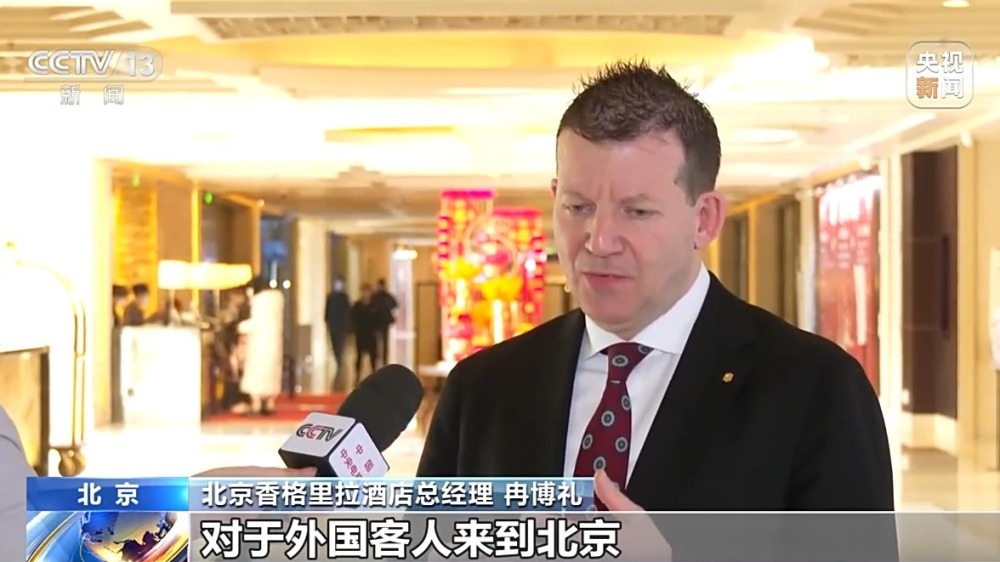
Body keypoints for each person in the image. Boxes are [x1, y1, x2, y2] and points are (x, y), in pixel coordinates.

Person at [417, 61, 894, 515]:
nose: (599, 241)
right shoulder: (483, 389)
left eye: (637, 212)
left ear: (704, 219)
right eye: (578, 208)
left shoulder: (816, 390)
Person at [239, 277, 284, 416]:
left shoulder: (259, 302)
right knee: (271, 373)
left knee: (256, 373)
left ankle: (256, 405)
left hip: (259, 343)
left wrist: (240, 326)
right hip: (274, 341)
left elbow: (256, 323)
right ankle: (270, 404)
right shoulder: (277, 300)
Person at [324, 276, 350, 388]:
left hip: (341, 325)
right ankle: (337, 358)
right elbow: (327, 311)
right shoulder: (330, 297)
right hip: (333, 325)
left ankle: (339, 359)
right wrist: (327, 321)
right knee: (334, 343)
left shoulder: (344, 298)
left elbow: (347, 312)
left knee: (340, 343)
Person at [350, 284, 378, 380]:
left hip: (371, 333)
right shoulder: (357, 306)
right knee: (359, 356)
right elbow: (353, 318)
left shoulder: (374, 306)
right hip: (360, 333)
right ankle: (357, 375)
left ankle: (374, 374)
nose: (366, 294)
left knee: (373, 356)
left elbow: (378, 319)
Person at [369, 278, 398, 366]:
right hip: (381, 322)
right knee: (382, 342)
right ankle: (383, 359)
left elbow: (395, 304)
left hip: (378, 322)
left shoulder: (376, 296)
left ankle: (381, 359)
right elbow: (395, 304)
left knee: (380, 342)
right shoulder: (385, 296)